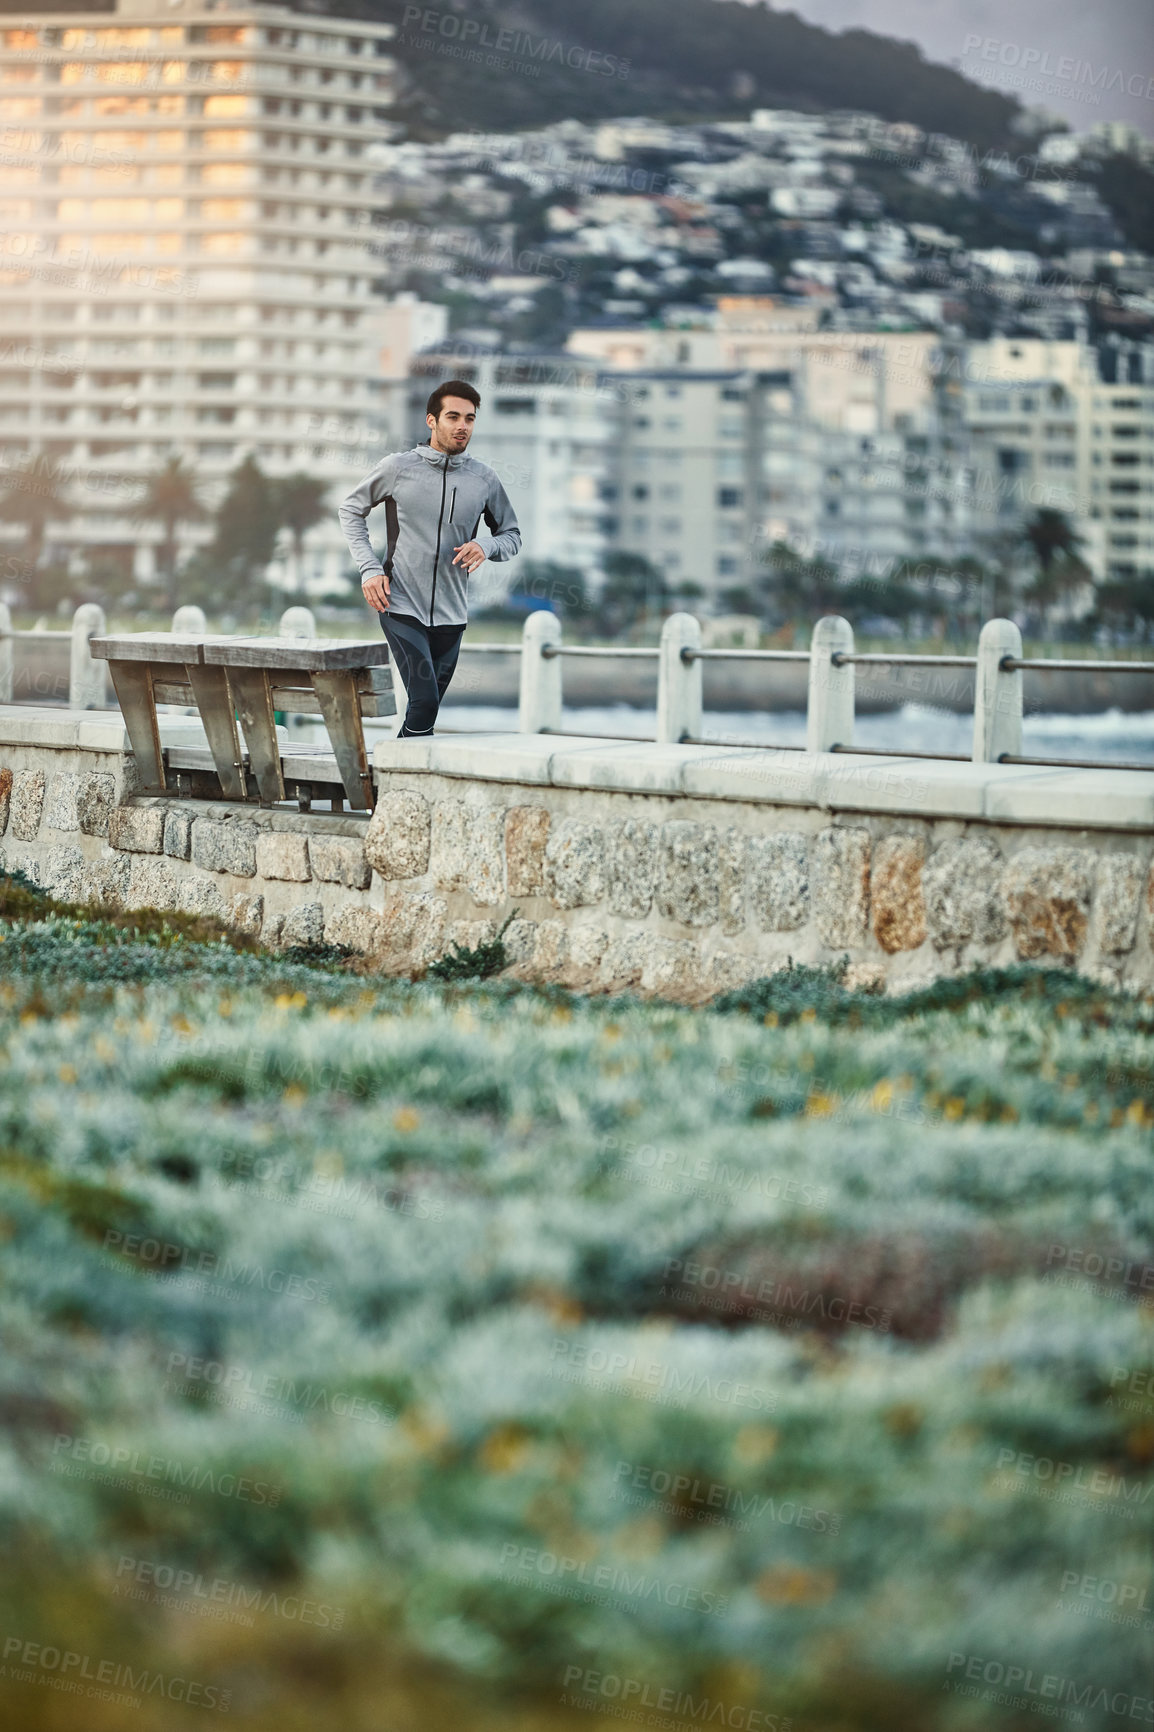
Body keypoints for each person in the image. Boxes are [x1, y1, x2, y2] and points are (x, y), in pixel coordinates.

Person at [338, 379, 521, 737]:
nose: (462, 426)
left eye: (469, 418)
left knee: (427, 711)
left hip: (453, 615)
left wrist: (486, 546)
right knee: (424, 702)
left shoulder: (484, 479)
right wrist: (370, 569)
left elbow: (511, 536)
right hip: (401, 604)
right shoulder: (397, 468)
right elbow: (350, 509)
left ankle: (392, 780)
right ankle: (393, 783)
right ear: (431, 421)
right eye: (453, 416)